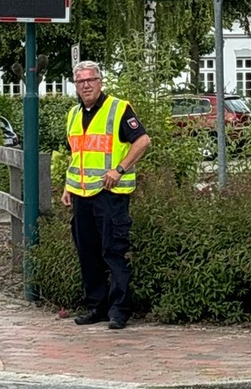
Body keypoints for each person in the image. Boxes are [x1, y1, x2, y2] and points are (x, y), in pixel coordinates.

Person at [61, 61, 151, 330]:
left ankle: (119, 311)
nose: (86, 85)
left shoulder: (118, 108)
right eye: (80, 81)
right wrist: (68, 186)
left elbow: (143, 140)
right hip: (81, 194)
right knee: (88, 254)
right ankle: (96, 307)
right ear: (75, 86)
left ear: (100, 82)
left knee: (114, 253)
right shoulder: (73, 114)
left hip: (110, 195)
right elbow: (76, 154)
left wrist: (120, 169)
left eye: (91, 80)